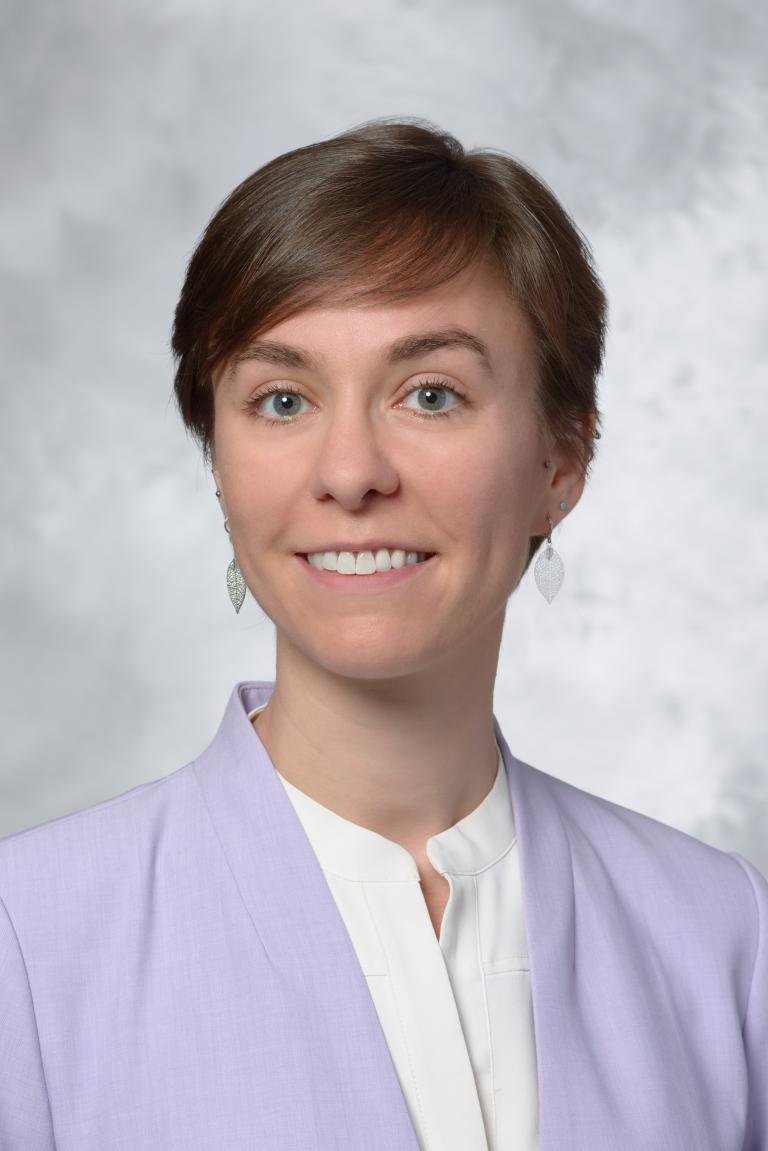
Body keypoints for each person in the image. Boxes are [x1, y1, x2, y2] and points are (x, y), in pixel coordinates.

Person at [0, 118, 765, 1151]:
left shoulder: (724, 935)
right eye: (282, 399)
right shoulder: (28, 940)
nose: (351, 471)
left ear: (561, 459)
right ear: (219, 466)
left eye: (431, 393)